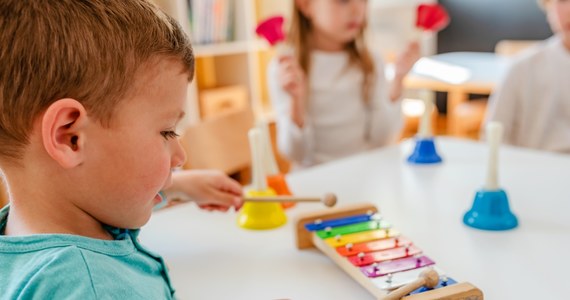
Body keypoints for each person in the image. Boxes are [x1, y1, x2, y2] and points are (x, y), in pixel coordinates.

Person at [0, 0, 241, 298]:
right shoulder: (91, 288)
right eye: (166, 131)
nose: (180, 156)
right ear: (70, 137)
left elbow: (107, 184)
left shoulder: (24, 232)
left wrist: (182, 186)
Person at [268, 0, 420, 168]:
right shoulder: (286, 68)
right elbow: (296, 154)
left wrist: (398, 80)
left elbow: (382, 139)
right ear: (305, 5)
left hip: (362, 174)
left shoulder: (371, 62)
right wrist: (296, 101)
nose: (357, 10)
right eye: (343, 1)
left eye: (363, 1)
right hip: (313, 182)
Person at [484, 0, 570, 152]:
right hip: (535, 167)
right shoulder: (523, 67)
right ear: (548, 7)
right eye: (562, 1)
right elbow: (494, 135)